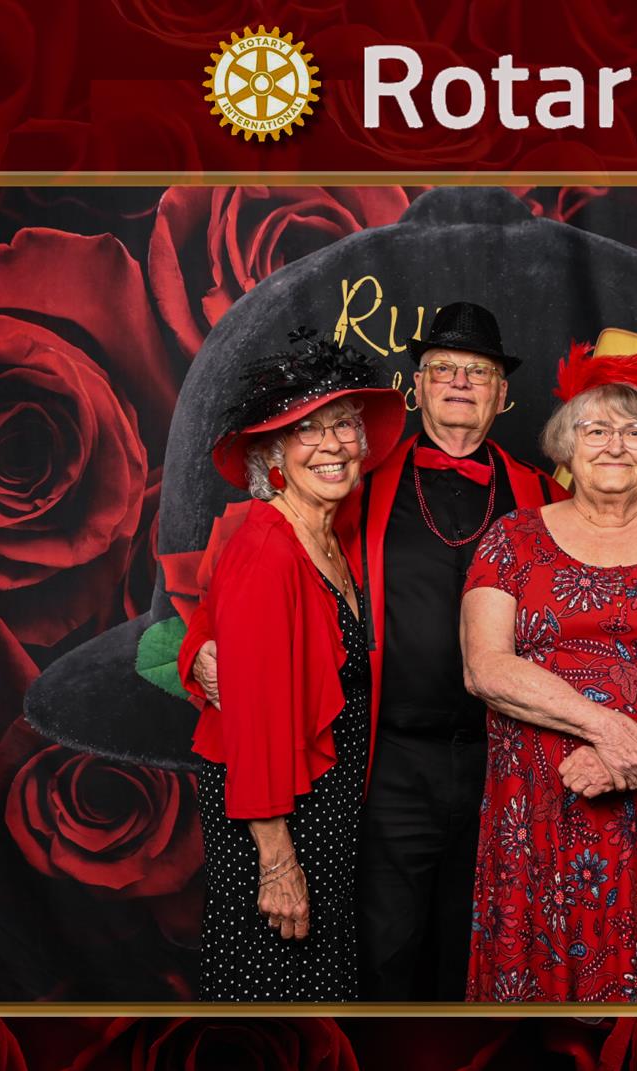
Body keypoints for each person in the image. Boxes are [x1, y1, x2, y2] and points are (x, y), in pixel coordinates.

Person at [183, 302, 564, 1001]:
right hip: (388, 764)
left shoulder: (542, 494)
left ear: (503, 393)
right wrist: (200, 647)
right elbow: (244, 573)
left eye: (477, 372)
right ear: (415, 388)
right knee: (382, 953)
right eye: (442, 369)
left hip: (499, 761)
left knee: (478, 949)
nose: (459, 383)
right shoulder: (358, 482)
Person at [460, 339, 637, 1001]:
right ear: (567, 444)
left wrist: (635, 752)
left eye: (635, 430)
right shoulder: (512, 538)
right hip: (537, 810)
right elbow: (486, 667)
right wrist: (607, 729)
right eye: (596, 429)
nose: (615, 445)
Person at [186, 329, 406, 1000]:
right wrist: (278, 862)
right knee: (274, 997)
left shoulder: (331, 535)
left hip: (324, 808)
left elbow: (219, 619)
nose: (332, 444)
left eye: (343, 426)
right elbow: (252, 725)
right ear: (273, 453)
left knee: (318, 990)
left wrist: (202, 646)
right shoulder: (269, 550)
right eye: (308, 429)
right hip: (278, 817)